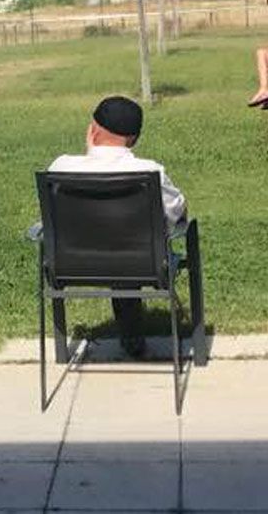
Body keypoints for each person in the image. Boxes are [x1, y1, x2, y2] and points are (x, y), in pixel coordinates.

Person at [48, 96, 187, 357]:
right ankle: (133, 337)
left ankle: (128, 335)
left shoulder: (61, 167)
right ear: (133, 138)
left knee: (113, 243)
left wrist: (91, 155)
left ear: (93, 129)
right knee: (126, 247)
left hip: (73, 266)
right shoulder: (150, 171)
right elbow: (176, 210)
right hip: (141, 264)